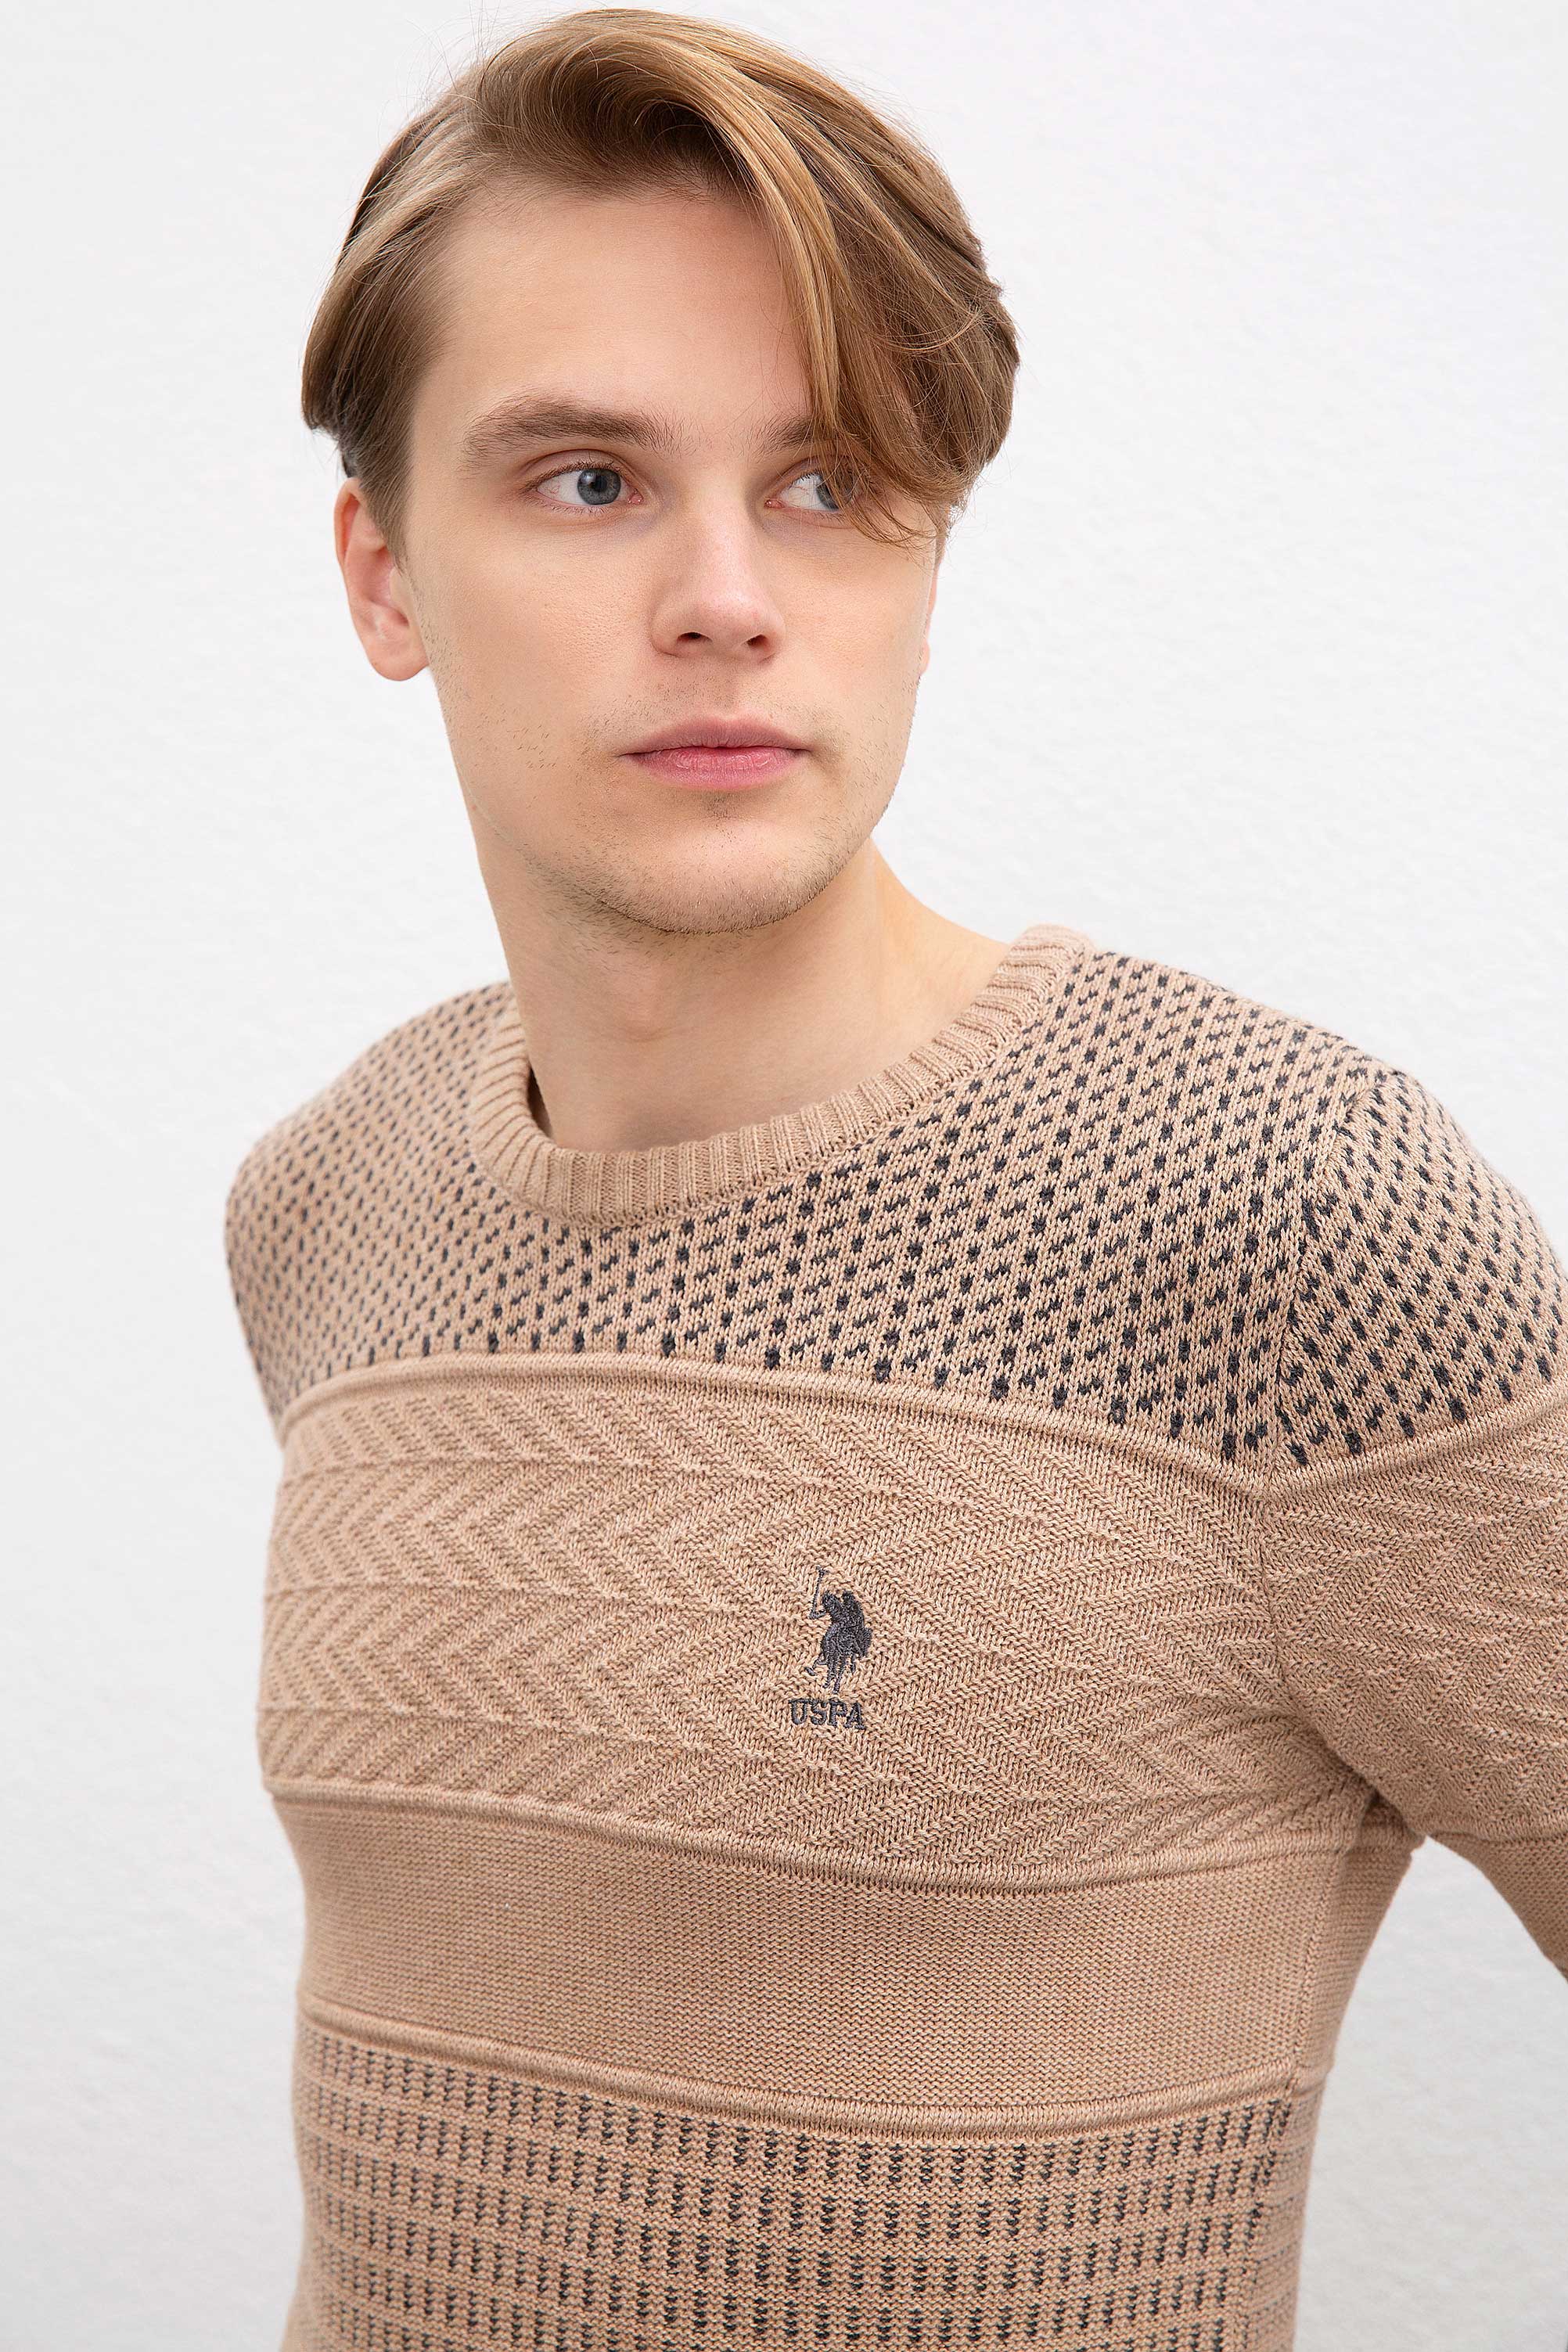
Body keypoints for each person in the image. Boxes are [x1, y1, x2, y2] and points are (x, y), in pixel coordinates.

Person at [223, 12, 1566, 2347]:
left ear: (928, 557)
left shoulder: (1287, 1214)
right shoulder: (329, 1203)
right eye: (586, 480)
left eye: (830, 483)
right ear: (383, 572)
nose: (727, 596)